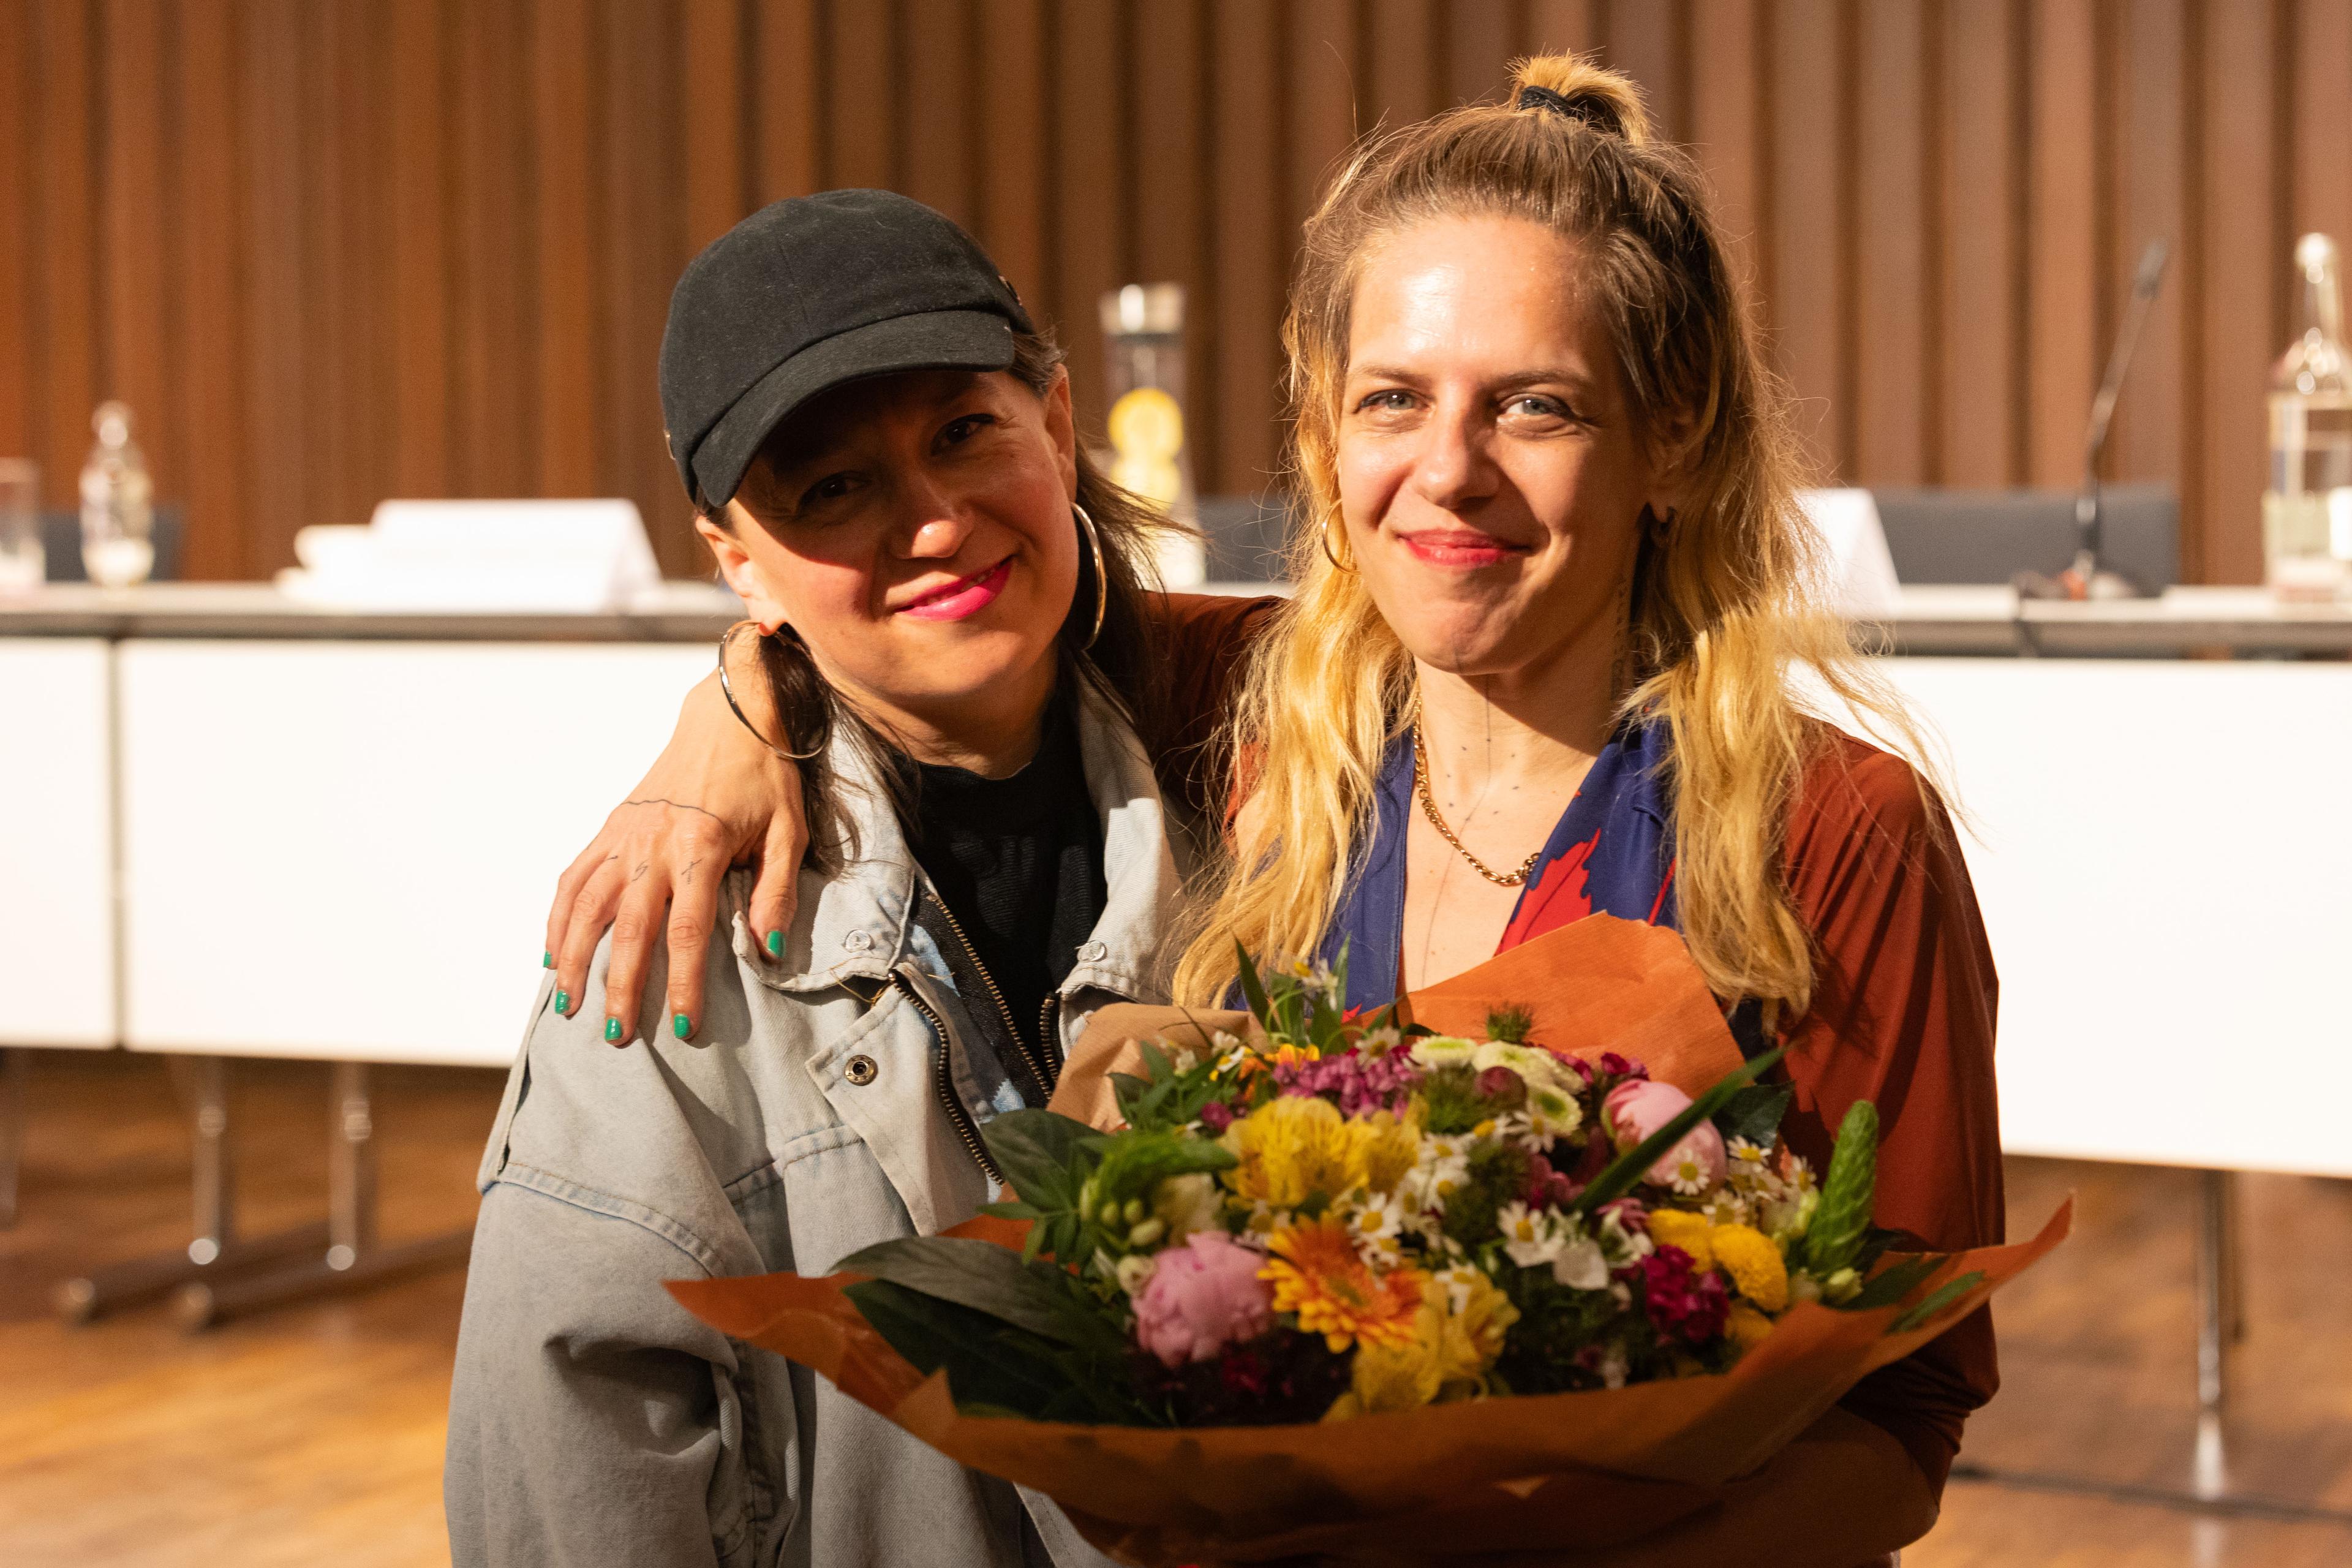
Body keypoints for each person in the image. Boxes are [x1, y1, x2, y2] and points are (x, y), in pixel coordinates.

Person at [545, 56, 2001, 1568]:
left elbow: (1900, 1424)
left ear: (1675, 438)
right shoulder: (1260, 717)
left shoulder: (1826, 832)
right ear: (1326, 434)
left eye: (1537, 405)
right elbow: (939, 608)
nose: (1449, 470)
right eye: (1395, 400)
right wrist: (728, 704)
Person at [446, 189, 1179, 1567]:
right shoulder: (670, 960)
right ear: (737, 559)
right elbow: (569, 1488)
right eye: (834, 486)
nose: (936, 521)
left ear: (1060, 425)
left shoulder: (1266, 807)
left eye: (966, 430)